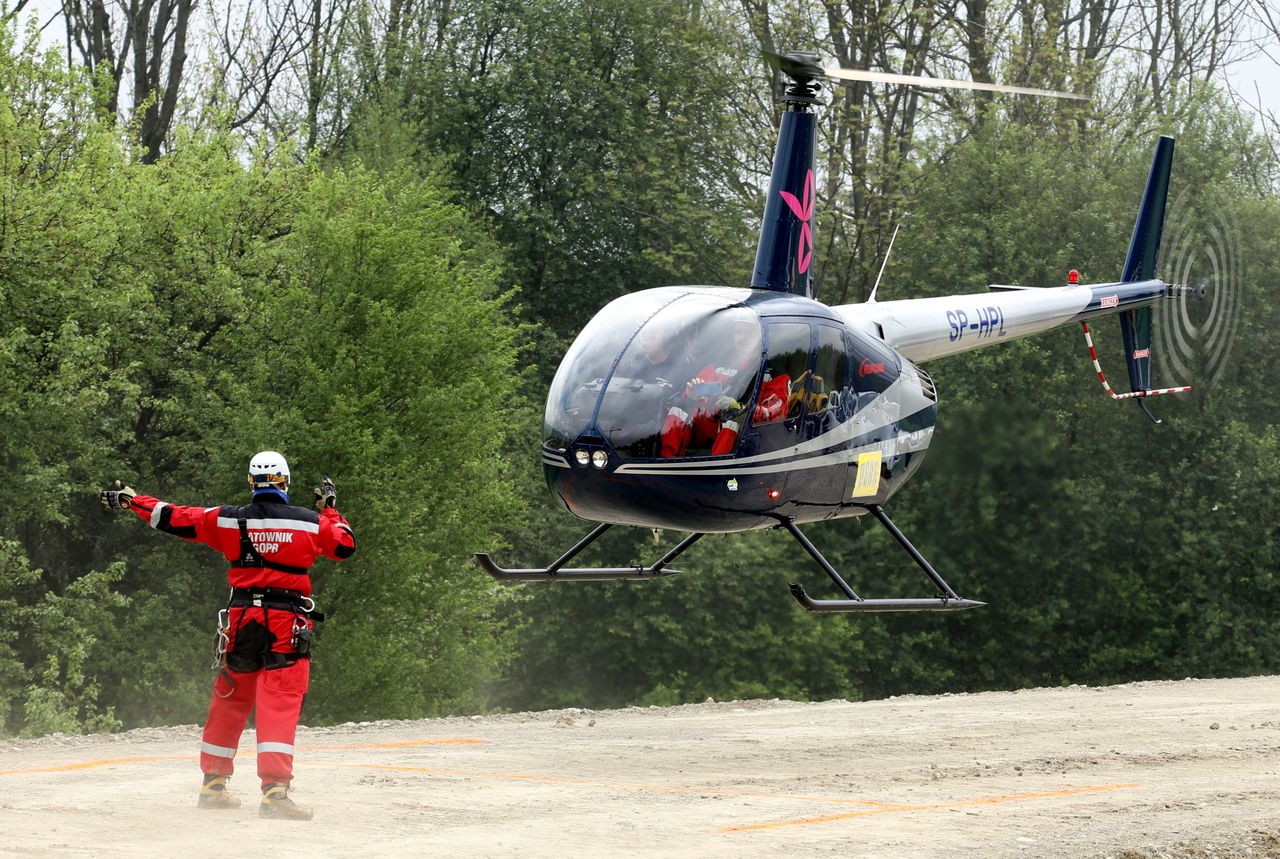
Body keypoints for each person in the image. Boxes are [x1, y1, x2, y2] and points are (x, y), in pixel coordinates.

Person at [100, 451, 355, 820]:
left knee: (231, 698)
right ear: (285, 483)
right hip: (286, 621)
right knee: (279, 701)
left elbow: (171, 516)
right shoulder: (311, 522)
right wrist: (330, 507)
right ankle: (275, 793)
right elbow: (345, 546)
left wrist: (131, 500)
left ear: (252, 483)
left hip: (241, 619)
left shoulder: (228, 520)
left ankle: (213, 785)